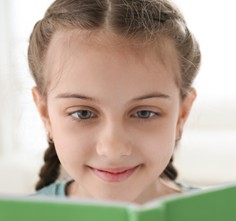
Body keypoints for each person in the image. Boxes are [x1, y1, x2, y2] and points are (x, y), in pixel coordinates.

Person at [28, 0, 201, 204]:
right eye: (82, 113)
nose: (113, 149)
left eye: (144, 113)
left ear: (182, 114)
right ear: (45, 114)